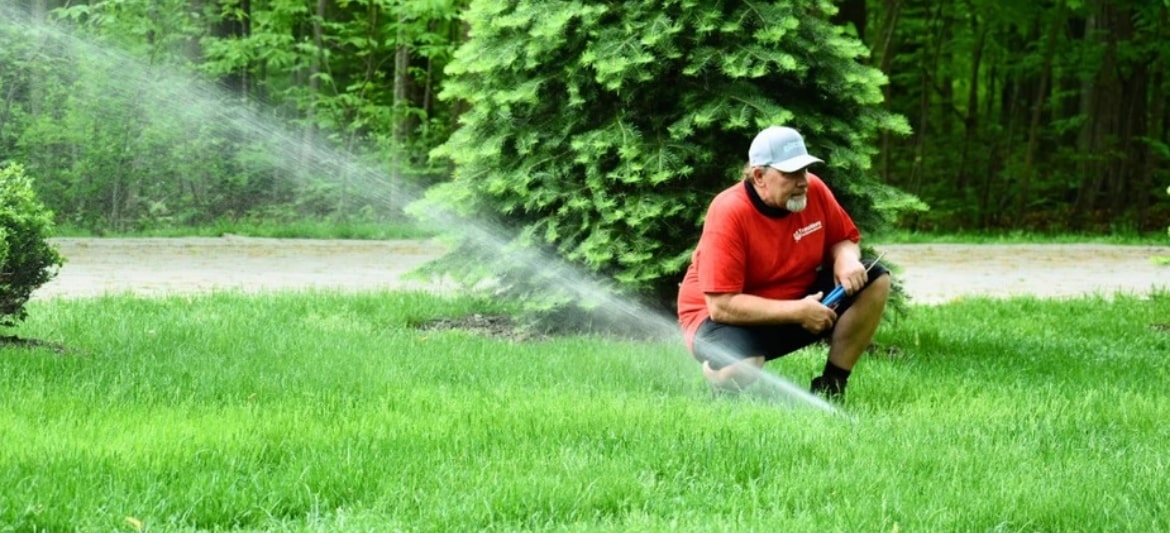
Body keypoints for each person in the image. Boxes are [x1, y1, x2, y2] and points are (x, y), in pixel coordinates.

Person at [676, 126, 891, 399]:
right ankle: (718, 376)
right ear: (759, 176)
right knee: (742, 366)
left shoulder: (813, 189)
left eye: (804, 170)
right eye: (790, 173)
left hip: (800, 303)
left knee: (876, 278)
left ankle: (832, 386)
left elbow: (844, 238)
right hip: (721, 317)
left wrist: (846, 259)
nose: (802, 181)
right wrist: (798, 312)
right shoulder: (729, 211)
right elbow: (721, 306)